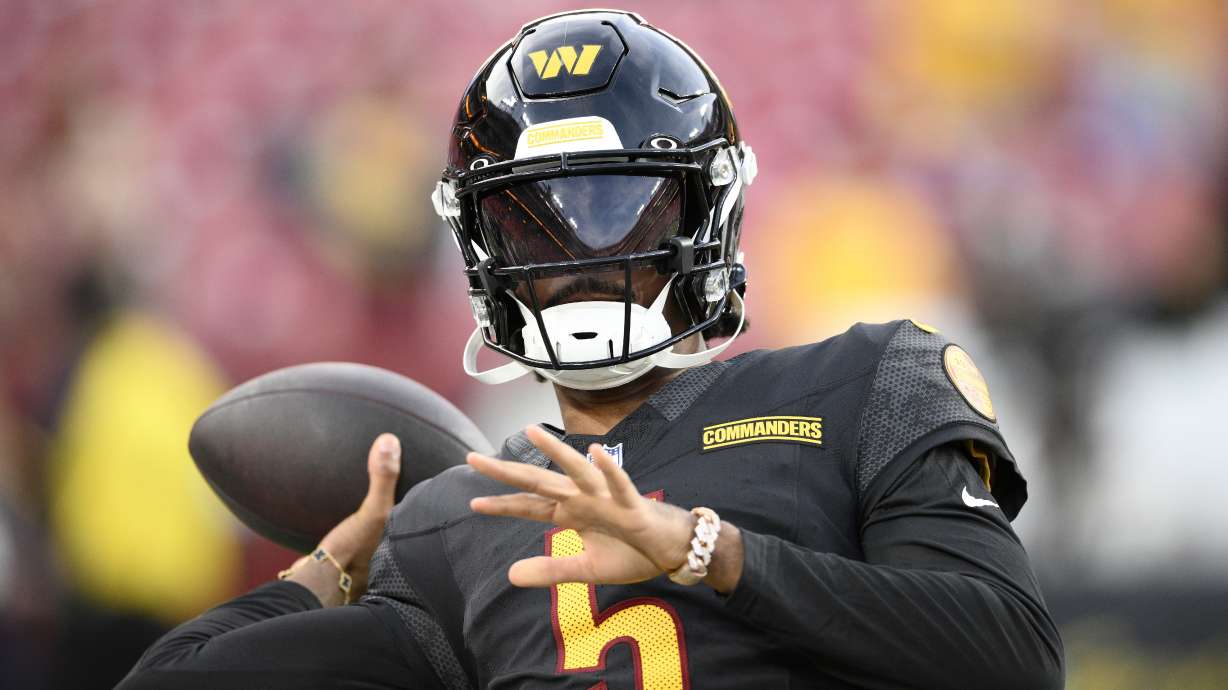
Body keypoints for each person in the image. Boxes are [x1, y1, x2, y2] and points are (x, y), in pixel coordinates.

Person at [118, 9, 1064, 689]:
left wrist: (709, 554)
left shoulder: (861, 384)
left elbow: (1013, 659)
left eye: (619, 209)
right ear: (481, 248)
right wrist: (327, 571)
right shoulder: (453, 526)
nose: (578, 259)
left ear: (707, 214)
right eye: (532, 223)